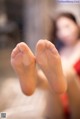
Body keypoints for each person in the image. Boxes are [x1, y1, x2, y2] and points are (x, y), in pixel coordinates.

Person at [50, 12, 80, 119]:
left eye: (67, 26)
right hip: (60, 101)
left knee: (66, 71)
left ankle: (39, 79)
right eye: (59, 29)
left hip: (77, 100)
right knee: (50, 86)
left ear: (77, 25)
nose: (63, 33)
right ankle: (35, 78)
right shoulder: (60, 52)